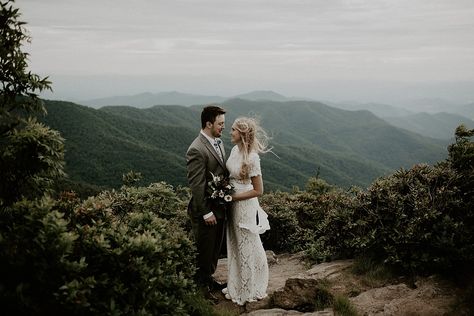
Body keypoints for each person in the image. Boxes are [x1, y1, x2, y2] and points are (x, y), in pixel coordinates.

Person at [223, 116, 271, 305]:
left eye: (234, 129)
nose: (231, 132)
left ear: (242, 134)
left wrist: (233, 197)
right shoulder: (235, 150)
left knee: (246, 244)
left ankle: (248, 287)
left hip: (244, 206)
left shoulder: (252, 158)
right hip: (232, 204)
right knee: (235, 241)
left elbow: (258, 190)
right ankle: (237, 282)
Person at [186, 105, 228, 294]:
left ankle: (208, 281)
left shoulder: (218, 142)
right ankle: (201, 292)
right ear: (208, 123)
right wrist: (206, 212)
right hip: (206, 211)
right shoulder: (196, 149)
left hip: (218, 207)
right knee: (204, 251)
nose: (223, 127)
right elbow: (196, 185)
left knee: (214, 250)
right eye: (220, 124)